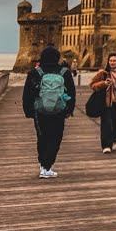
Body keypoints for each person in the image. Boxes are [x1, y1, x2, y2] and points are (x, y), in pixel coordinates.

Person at [23, 45, 76, 178]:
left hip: (39, 111)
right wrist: (70, 109)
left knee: (42, 137)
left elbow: (27, 93)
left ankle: (43, 165)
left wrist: (28, 110)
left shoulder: (35, 72)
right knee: (56, 137)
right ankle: (47, 166)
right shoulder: (64, 72)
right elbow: (71, 92)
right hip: (59, 110)